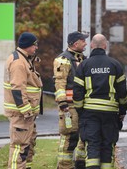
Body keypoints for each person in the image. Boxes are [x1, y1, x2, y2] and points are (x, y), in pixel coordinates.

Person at [73, 34, 127, 169]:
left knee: (92, 145)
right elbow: (122, 93)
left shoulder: (84, 65)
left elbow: (77, 92)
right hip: (110, 113)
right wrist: (122, 111)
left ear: (92, 45)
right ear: (105, 46)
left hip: (90, 113)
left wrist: (80, 111)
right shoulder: (115, 64)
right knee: (107, 145)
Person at [3, 32, 43, 169]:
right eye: (34, 45)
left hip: (25, 114)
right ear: (27, 46)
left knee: (27, 146)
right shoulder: (19, 62)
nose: (36, 48)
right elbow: (17, 89)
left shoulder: (23, 59)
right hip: (21, 114)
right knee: (19, 147)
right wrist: (26, 111)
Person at [53, 31, 88, 168]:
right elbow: (60, 83)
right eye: (83, 41)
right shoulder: (63, 60)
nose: (85, 43)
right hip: (69, 107)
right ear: (75, 43)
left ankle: (80, 164)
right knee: (69, 138)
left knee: (83, 137)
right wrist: (62, 103)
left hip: (82, 106)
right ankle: (64, 166)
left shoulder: (83, 59)